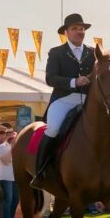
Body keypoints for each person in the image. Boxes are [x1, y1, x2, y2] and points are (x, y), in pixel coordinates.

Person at [34, 13, 96, 188]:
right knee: (53, 128)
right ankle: (41, 170)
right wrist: (73, 82)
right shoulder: (56, 52)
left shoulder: (93, 52)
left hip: (88, 101)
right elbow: (50, 78)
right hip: (64, 99)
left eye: (82, 29)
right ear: (66, 32)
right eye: (75, 28)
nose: (79, 31)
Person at [0, 125, 20, 218]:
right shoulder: (2, 147)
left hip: (15, 177)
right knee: (8, 199)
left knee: (16, 198)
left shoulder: (17, 148)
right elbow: (6, 161)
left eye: (13, 134)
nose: (12, 136)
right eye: (9, 134)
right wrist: (12, 147)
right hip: (5, 177)